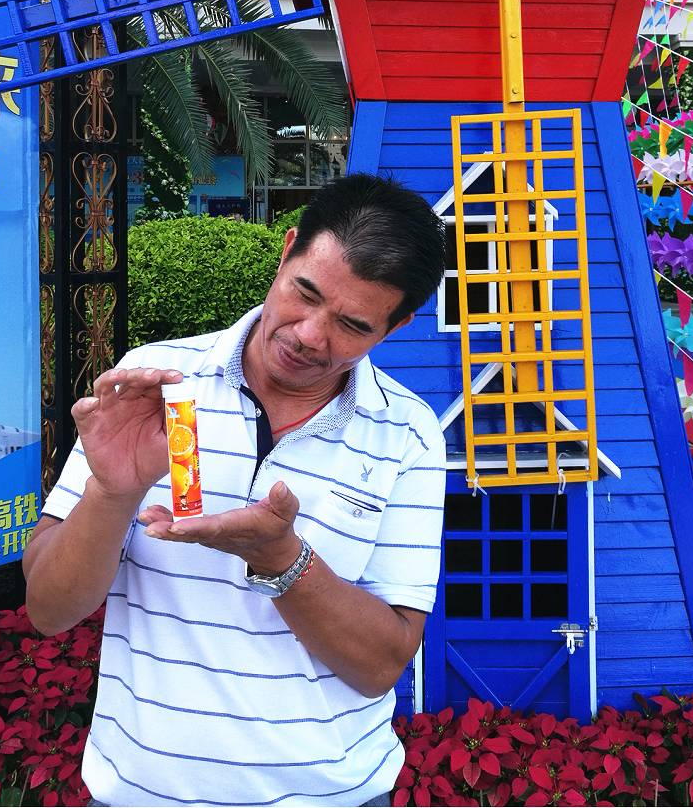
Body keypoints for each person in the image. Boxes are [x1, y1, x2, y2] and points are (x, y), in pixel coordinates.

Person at [24, 174, 448, 808]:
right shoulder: (158, 384)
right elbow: (48, 610)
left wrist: (281, 560)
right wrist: (112, 493)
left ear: (397, 325)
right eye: (305, 292)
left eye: (352, 325)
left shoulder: (407, 432)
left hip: (332, 796)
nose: (309, 335)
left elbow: (381, 664)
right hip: (141, 795)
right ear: (286, 251)